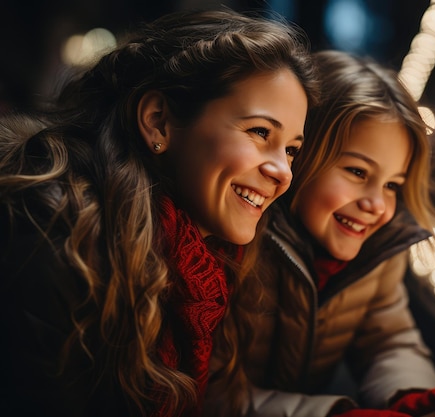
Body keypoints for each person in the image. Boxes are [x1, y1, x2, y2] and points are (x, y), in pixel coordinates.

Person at [0, 9, 319, 417]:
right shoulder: (51, 240)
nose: (283, 172)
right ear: (158, 122)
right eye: (260, 132)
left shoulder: (208, 263)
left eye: (291, 149)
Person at [205, 50, 435, 417]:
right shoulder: (230, 243)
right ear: (300, 157)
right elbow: (211, 395)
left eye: (392, 185)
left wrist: (416, 399)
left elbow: (389, 341)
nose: (378, 206)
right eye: (358, 172)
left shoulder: (378, 248)